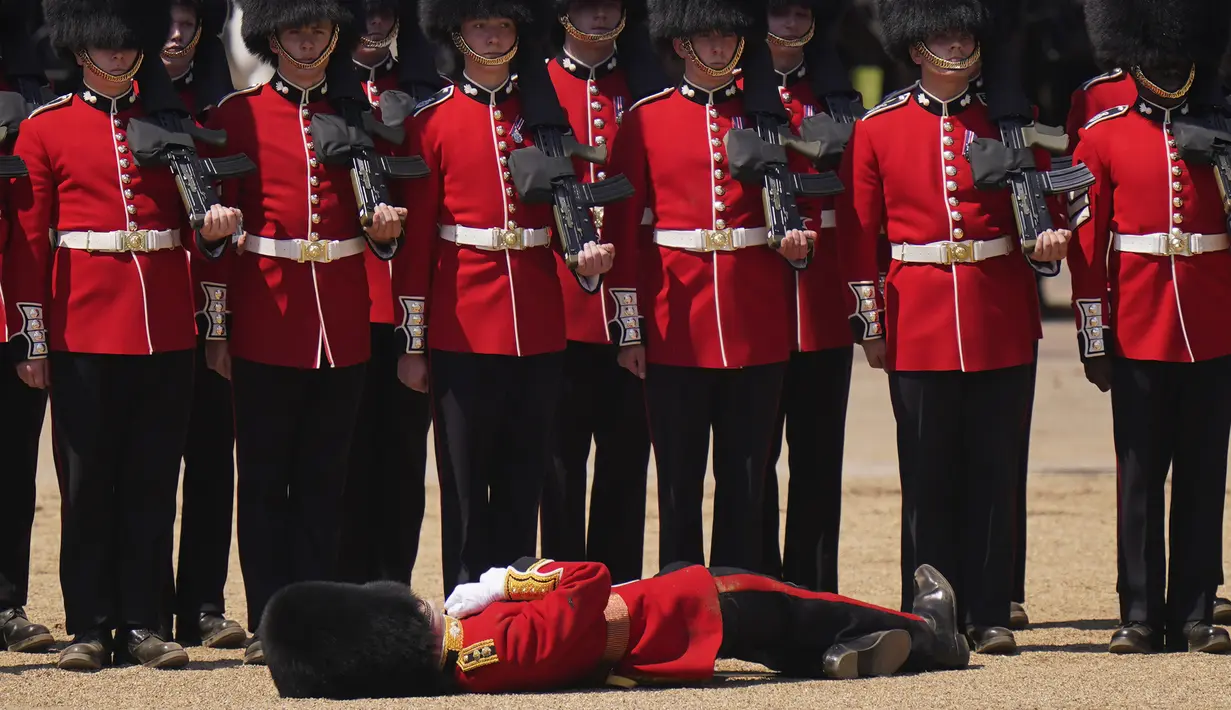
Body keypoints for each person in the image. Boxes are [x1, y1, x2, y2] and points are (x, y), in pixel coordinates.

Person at [4, 0, 243, 670]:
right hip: (83, 324)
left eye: (123, 46)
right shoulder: (45, 127)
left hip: (165, 327)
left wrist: (216, 242)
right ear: (82, 50)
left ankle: (142, 623)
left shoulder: (172, 122)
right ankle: (89, 625)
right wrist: (33, 339)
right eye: (103, 48)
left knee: (150, 482)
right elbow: (28, 246)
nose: (115, 57)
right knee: (87, 487)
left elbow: (200, 236)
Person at [837, 0, 1069, 655]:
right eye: (941, 33)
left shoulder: (1009, 120)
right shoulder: (878, 128)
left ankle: (990, 610)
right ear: (914, 49)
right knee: (926, 471)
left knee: (994, 470)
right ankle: (930, 606)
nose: (957, 42)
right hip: (918, 313)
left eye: (964, 31)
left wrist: (1047, 239)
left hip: (996, 307)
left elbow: (1047, 205)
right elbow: (860, 238)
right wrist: (870, 323)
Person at [202, 0, 406, 664]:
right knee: (263, 481)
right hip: (268, 317)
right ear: (271, 34)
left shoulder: (358, 119)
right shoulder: (236, 117)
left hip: (339, 322)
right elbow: (220, 239)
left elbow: (376, 225)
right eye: (296, 27)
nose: (309, 38)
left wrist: (383, 238)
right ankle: (270, 619)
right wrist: (219, 326)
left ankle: (314, 618)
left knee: (326, 481)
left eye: (318, 27)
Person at [396, 0, 614, 598]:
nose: (492, 36)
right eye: (479, 25)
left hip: (539, 323)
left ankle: (517, 613)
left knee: (524, 481)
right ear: (457, 33)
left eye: (503, 24)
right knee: (466, 488)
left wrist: (587, 263)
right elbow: (416, 245)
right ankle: (466, 611)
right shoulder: (431, 121)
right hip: (462, 324)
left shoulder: (544, 115)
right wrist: (412, 343)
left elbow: (568, 216)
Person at [601, 0, 809, 574]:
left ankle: (742, 610)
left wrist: (796, 240)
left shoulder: (770, 117)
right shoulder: (646, 119)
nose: (719, 48)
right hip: (676, 324)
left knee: (747, 478)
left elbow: (802, 209)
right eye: (706, 38)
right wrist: (629, 329)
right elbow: (623, 232)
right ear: (680, 44)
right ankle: (681, 605)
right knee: (678, 482)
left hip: (754, 320)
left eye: (727, 37)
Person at [1069, 0, 1231, 654]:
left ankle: (1194, 611)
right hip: (1137, 325)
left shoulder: (1222, 129)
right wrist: (1092, 335)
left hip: (1212, 325)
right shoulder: (1102, 134)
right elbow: (1087, 250)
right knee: (1139, 477)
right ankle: (1138, 612)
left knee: (1201, 473)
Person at [259, 558, 970, 699]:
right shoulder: (480, 651)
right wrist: (509, 581)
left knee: (778, 632)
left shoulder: (459, 662)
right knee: (779, 599)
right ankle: (931, 634)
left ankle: (836, 655)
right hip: (668, 617)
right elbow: (585, 588)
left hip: (658, 637)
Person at [538, 0, 663, 585]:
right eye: (585, 7)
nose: (597, 16)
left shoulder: (644, 89)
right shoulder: (536, 84)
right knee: (558, 467)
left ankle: (617, 594)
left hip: (629, 293)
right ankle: (564, 591)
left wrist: (632, 313)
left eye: (608, 7)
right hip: (556, 300)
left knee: (623, 464)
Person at [152, 0, 248, 652]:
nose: (177, 34)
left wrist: (218, 326)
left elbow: (234, 227)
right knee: (149, 469)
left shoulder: (224, 113)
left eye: (189, 23)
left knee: (213, 466)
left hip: (209, 314)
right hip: (148, 317)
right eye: (165, 21)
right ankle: (149, 603)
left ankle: (205, 604)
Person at [753, 0, 855, 593]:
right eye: (778, 14)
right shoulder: (735, 95)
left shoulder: (835, 96)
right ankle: (761, 586)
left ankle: (816, 589)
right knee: (754, 461)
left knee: (818, 459)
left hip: (821, 306)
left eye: (799, 14)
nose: (790, 26)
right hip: (757, 303)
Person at [336, 0, 433, 592]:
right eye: (363, 12)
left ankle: (391, 584)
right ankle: (344, 587)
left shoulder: (425, 93)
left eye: (383, 12)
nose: (373, 21)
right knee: (341, 460)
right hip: (340, 299)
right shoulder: (320, 92)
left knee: (401, 463)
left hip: (403, 302)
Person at [0, 24, 53, 656]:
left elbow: (30, 231)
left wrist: (28, 330)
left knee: (13, 468)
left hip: (9, 311)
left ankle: (6, 600)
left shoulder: (28, 101)